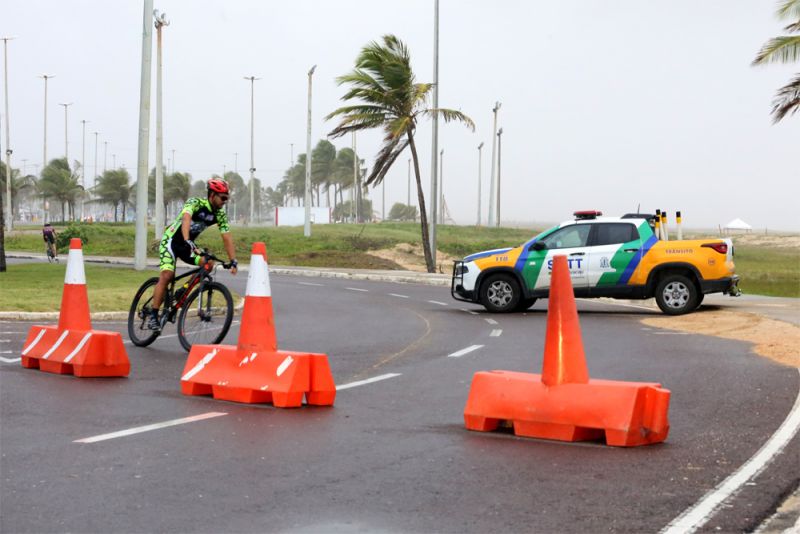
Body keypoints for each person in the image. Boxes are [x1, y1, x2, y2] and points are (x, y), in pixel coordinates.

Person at [148, 178, 239, 331]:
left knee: (208, 264)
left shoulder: (220, 215)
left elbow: (227, 236)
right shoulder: (195, 203)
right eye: (222, 197)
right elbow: (186, 218)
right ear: (212, 195)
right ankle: (153, 315)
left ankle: (183, 290)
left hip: (187, 245)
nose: (225, 201)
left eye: (226, 198)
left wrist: (233, 260)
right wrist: (187, 239)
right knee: (167, 275)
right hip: (171, 240)